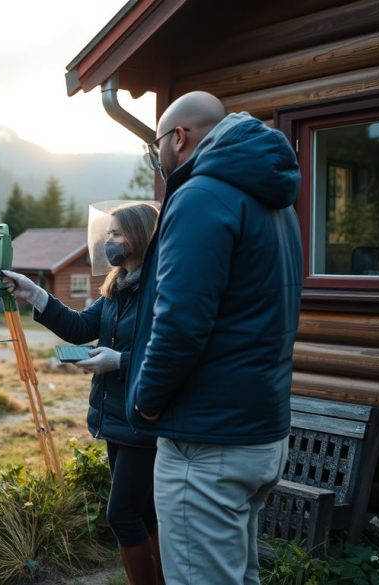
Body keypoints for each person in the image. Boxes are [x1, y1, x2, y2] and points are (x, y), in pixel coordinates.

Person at [126, 91, 303, 585]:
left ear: (178, 138)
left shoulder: (201, 196)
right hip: (259, 430)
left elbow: (180, 321)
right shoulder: (273, 201)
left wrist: (147, 402)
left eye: (155, 146)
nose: (157, 158)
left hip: (206, 440)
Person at [3, 202, 163, 585]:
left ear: (140, 237)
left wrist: (120, 362)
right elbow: (78, 328)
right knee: (145, 514)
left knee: (122, 515)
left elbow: (169, 354)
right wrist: (35, 294)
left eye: (117, 234)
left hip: (144, 419)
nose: (110, 242)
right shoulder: (116, 290)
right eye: (107, 234)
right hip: (116, 419)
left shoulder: (159, 290)